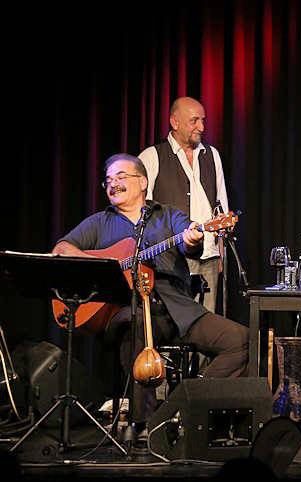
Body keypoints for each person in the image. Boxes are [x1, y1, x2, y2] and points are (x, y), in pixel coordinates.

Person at [52, 154, 248, 446]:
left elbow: (188, 238)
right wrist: (100, 264)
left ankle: (186, 407)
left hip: (176, 309)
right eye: (108, 180)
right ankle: (144, 425)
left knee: (241, 340)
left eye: (121, 177)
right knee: (135, 325)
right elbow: (61, 249)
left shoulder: (167, 215)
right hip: (125, 310)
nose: (113, 183)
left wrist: (193, 237)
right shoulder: (99, 223)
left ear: (142, 182)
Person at [139, 96, 229, 313]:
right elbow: (141, 211)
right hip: (170, 261)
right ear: (175, 122)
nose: (202, 127)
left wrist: (221, 251)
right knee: (173, 320)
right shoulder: (152, 156)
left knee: (205, 321)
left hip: (208, 256)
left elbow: (221, 204)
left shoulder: (211, 155)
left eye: (203, 120)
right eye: (194, 121)